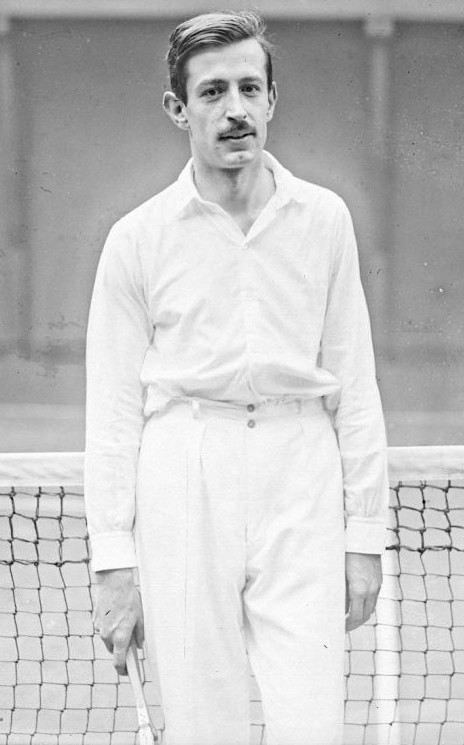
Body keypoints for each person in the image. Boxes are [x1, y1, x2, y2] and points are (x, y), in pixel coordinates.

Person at [84, 10, 389, 745]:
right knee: (202, 727)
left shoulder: (325, 220)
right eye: (213, 92)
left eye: (250, 88)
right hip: (184, 477)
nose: (235, 110)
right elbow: (113, 412)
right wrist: (113, 564)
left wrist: (363, 538)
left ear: (272, 99)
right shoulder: (136, 240)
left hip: (301, 477)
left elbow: (354, 383)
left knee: (312, 726)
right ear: (178, 108)